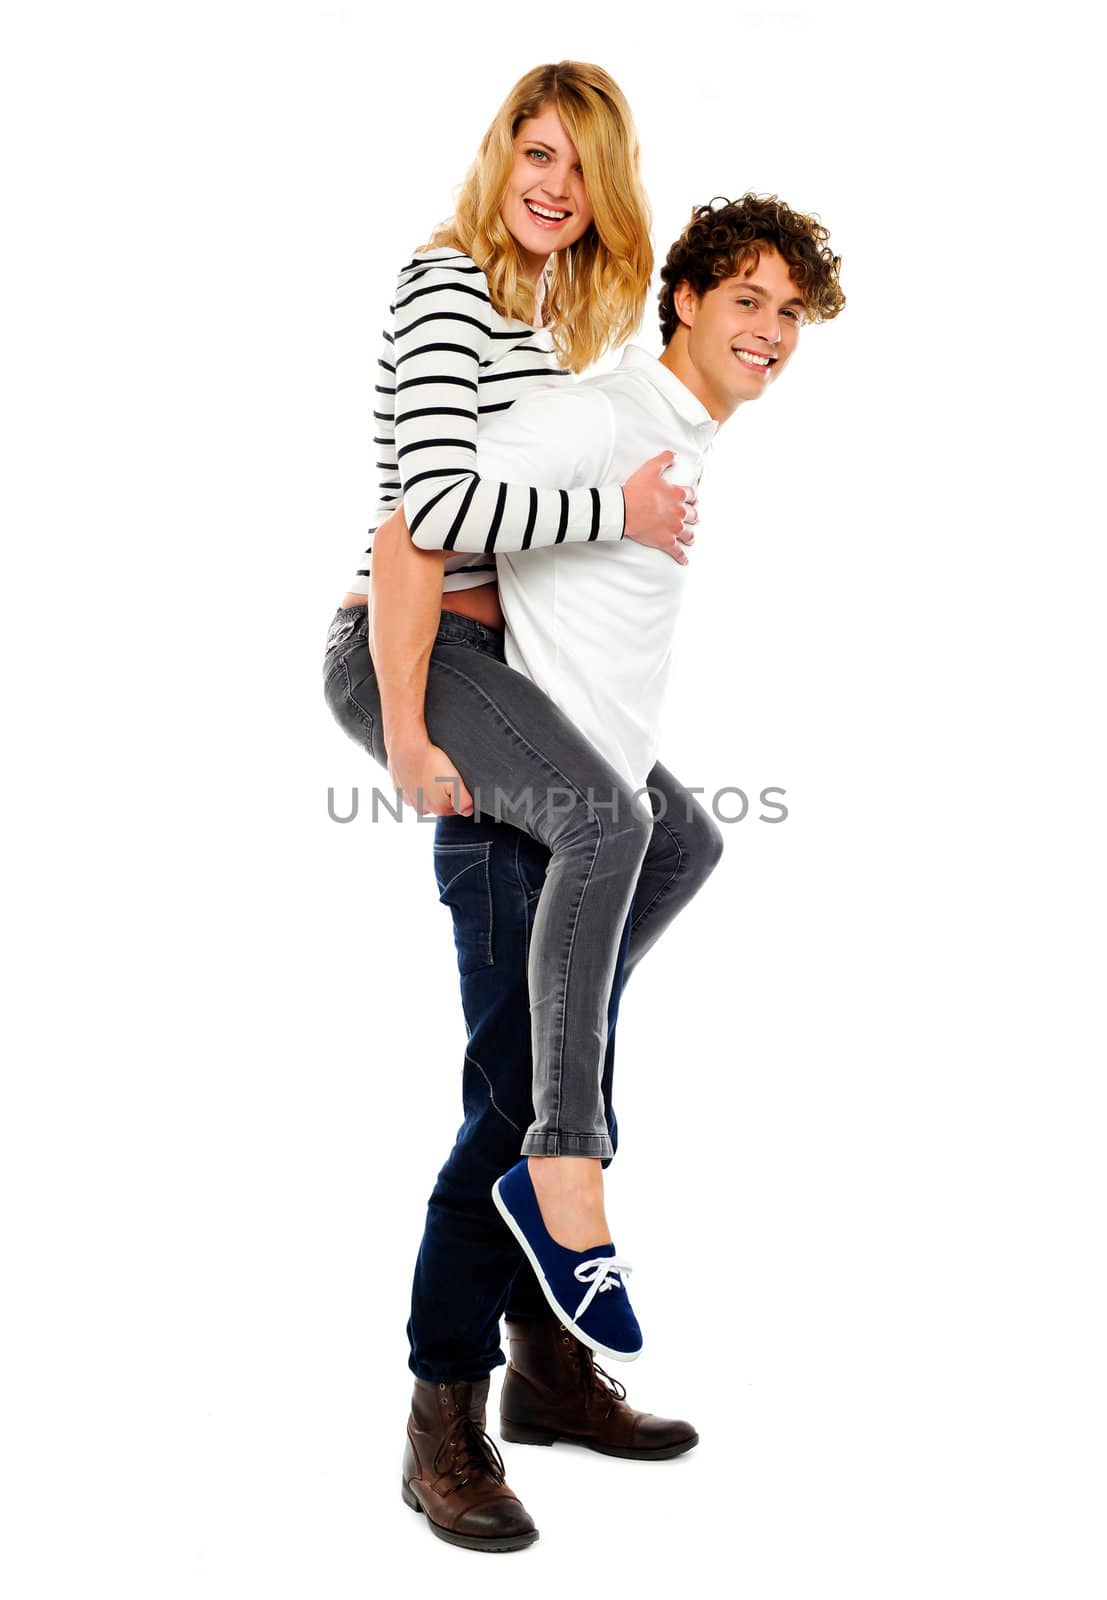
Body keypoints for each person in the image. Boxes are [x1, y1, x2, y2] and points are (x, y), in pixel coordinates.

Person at [330, 187, 845, 1549]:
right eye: (746, 299)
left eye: (790, 311)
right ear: (682, 298)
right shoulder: (601, 413)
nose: (772, 330)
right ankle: (448, 1413)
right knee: (518, 1106)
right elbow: (409, 533)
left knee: (669, 857)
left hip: (540, 757)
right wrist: (401, 733)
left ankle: (548, 1369)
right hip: (479, 757)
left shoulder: (673, 433)